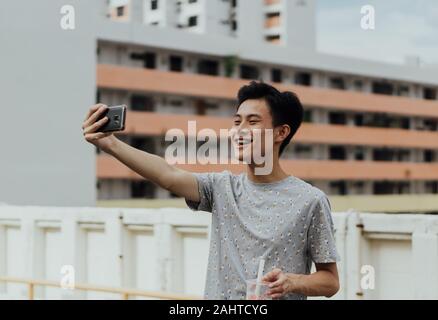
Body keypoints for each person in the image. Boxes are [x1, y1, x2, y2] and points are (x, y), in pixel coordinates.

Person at [82, 81, 340, 300]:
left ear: (281, 132)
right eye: (237, 122)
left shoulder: (310, 200)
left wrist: (292, 282)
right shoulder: (221, 188)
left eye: (252, 122)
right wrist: (111, 145)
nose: (240, 131)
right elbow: (168, 175)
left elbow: (330, 281)